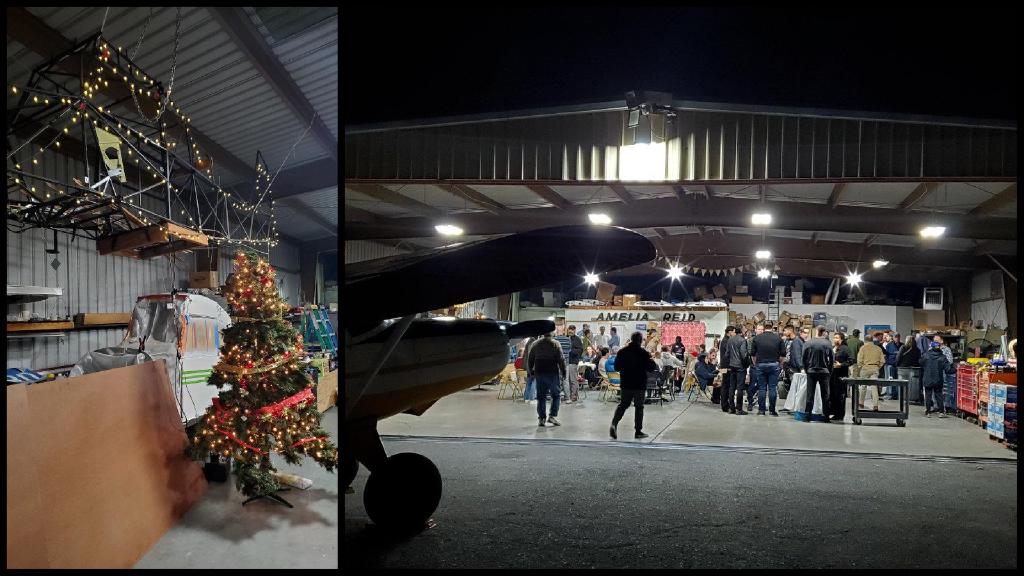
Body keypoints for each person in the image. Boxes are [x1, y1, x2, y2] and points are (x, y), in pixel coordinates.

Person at [609, 332, 658, 439]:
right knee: (639, 407)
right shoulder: (643, 353)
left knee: (623, 405)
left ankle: (614, 424)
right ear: (640, 341)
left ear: (631, 339)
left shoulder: (622, 352)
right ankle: (638, 431)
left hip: (626, 383)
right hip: (639, 384)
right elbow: (651, 368)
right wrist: (651, 360)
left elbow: (616, 367)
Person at [528, 332, 566, 427]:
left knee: (541, 396)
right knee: (556, 395)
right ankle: (552, 416)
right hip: (552, 372)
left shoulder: (535, 344)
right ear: (552, 334)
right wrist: (564, 371)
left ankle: (541, 418)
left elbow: (530, 358)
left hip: (540, 372)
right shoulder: (555, 344)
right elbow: (561, 359)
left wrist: (531, 372)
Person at [750, 321, 786, 416]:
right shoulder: (778, 338)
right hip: (774, 365)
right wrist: (779, 363)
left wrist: (755, 363)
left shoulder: (757, 338)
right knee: (772, 388)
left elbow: (752, 354)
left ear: (764, 327)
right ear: (772, 327)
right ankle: (772, 411)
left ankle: (761, 410)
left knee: (762, 388)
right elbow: (783, 354)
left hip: (760, 365)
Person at [801, 326, 834, 423]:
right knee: (825, 395)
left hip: (811, 371)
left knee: (810, 395)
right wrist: (829, 371)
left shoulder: (808, 343)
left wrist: (807, 370)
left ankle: (807, 416)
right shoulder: (828, 343)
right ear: (824, 333)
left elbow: (803, 358)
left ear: (816, 331)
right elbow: (832, 359)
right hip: (824, 372)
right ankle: (826, 416)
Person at [722, 325, 750, 415]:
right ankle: (739, 409)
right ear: (741, 331)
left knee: (732, 387)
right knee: (740, 388)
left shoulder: (730, 340)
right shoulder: (742, 340)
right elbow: (743, 355)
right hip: (740, 367)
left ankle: (731, 408)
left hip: (732, 366)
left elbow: (727, 354)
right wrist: (747, 364)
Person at [920, 341, 952, 417]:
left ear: (931, 347)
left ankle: (928, 412)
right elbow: (948, 369)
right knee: (939, 395)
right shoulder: (942, 357)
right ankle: (941, 412)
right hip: (938, 379)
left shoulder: (926, 355)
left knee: (928, 395)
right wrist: (955, 369)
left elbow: (920, 362)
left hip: (927, 379)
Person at [855, 332, 885, 411]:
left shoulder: (863, 348)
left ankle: (861, 403)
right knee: (874, 387)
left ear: (865, 340)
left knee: (863, 386)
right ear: (872, 340)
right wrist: (877, 367)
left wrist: (861, 366)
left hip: (865, 368)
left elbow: (859, 361)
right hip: (875, 369)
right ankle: (875, 405)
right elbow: (882, 361)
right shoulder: (878, 348)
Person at [829, 332, 854, 421]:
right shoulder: (833, 348)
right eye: (834, 337)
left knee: (840, 396)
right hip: (832, 375)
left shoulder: (845, 349)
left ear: (841, 339)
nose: (835, 339)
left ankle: (840, 415)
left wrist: (842, 365)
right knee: (833, 395)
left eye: (837, 338)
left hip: (841, 376)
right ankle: (833, 412)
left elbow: (851, 360)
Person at [897, 334, 922, 402]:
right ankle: (913, 398)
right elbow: (919, 360)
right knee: (914, 385)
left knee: (903, 385)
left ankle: (903, 398)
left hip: (903, 369)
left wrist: (897, 365)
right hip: (914, 369)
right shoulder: (917, 350)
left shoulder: (903, 347)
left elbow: (898, 358)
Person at [553, 328, 572, 403]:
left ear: (557, 332)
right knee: (566, 380)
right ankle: (567, 398)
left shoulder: (554, 339)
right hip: (565, 362)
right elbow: (570, 350)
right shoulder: (568, 339)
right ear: (564, 332)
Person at [567, 325, 584, 402]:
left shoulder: (577, 339)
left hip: (573, 362)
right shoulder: (566, 338)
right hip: (566, 362)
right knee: (567, 380)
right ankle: (570, 395)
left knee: (573, 379)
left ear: (575, 330)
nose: (570, 331)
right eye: (569, 329)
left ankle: (574, 395)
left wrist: (571, 351)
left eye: (572, 330)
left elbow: (580, 350)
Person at [882, 332, 899, 399]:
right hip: (890, 364)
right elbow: (887, 354)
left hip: (897, 365)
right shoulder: (889, 345)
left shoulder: (901, 345)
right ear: (893, 337)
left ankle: (895, 394)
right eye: (896, 337)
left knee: (897, 380)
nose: (897, 338)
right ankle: (890, 393)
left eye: (898, 337)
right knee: (890, 379)